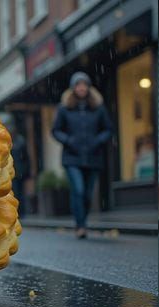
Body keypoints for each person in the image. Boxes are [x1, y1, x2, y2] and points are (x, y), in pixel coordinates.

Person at [51, 72, 112, 239]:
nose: (82, 87)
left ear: (89, 87)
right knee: (78, 189)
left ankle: (82, 220)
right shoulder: (64, 108)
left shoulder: (98, 108)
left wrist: (98, 141)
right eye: (78, 84)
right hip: (72, 157)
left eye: (84, 84)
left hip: (93, 156)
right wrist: (68, 140)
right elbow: (55, 130)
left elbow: (108, 129)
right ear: (73, 88)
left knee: (87, 193)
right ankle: (80, 226)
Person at [10, 125, 32, 216]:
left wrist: (27, 171)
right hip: (12, 171)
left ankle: (21, 212)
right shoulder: (8, 142)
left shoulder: (20, 141)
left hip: (19, 171)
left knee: (20, 192)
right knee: (14, 192)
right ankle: (16, 211)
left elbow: (26, 158)